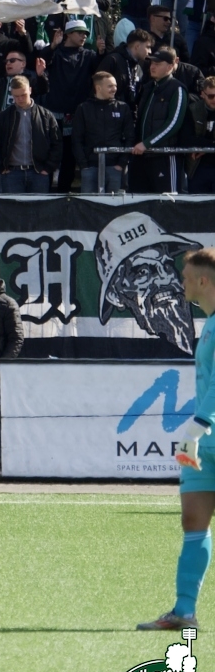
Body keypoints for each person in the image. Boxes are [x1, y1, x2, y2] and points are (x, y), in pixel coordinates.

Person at [135, 245, 215, 632]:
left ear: (203, 281)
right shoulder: (209, 323)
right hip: (203, 440)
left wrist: (197, 427)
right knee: (192, 520)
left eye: (185, 278)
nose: (180, 284)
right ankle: (184, 612)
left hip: (202, 432)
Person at [0, 75, 61, 192]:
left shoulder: (46, 115)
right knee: (14, 209)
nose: (20, 99)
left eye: (24, 95)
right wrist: (1, 167)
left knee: (39, 209)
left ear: (30, 90)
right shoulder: (2, 117)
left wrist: (48, 168)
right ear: (11, 93)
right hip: (12, 173)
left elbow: (56, 143)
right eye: (16, 96)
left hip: (38, 172)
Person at [131, 48, 189, 193]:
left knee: (169, 203)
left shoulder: (177, 89)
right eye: (151, 63)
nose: (152, 66)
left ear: (170, 66)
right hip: (143, 157)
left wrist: (147, 143)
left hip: (165, 156)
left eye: (158, 63)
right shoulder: (148, 88)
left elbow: (174, 123)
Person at [70, 71, 132, 194]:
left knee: (116, 207)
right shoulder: (83, 108)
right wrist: (84, 165)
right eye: (110, 86)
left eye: (115, 85)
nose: (114, 89)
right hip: (90, 167)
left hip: (115, 166)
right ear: (98, 88)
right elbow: (76, 138)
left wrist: (121, 164)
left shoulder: (123, 108)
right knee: (89, 206)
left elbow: (130, 137)